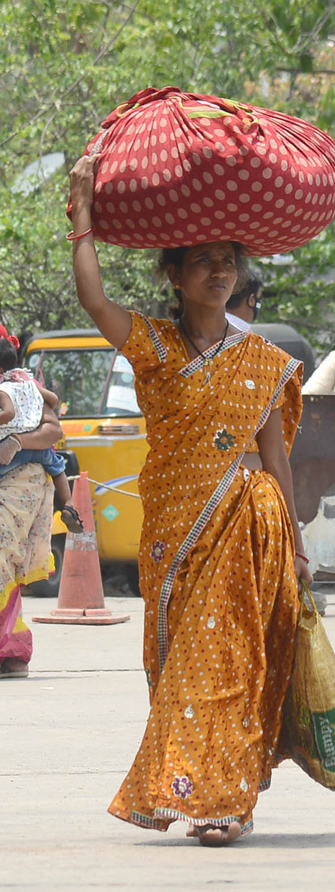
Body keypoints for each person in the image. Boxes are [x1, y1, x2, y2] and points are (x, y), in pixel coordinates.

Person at [69, 153, 312, 846]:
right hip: (172, 533)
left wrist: (295, 547)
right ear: (174, 276)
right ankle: (195, 785)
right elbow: (94, 300)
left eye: (228, 260)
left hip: (245, 527)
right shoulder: (153, 346)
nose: (219, 270)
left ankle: (225, 803)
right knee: (177, 663)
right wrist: (82, 214)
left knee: (230, 661)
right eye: (203, 261)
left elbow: (275, 460)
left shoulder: (262, 362)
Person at [0, 376, 63, 678]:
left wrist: (16, 442)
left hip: (17, 480)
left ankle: (9, 651)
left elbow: (53, 431)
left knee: (1, 562)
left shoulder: (17, 385)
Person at [0, 337, 83, 534]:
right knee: (57, 467)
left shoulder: (2, 389)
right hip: (41, 449)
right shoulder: (27, 380)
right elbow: (53, 400)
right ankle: (69, 505)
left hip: (13, 453)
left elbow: (9, 413)